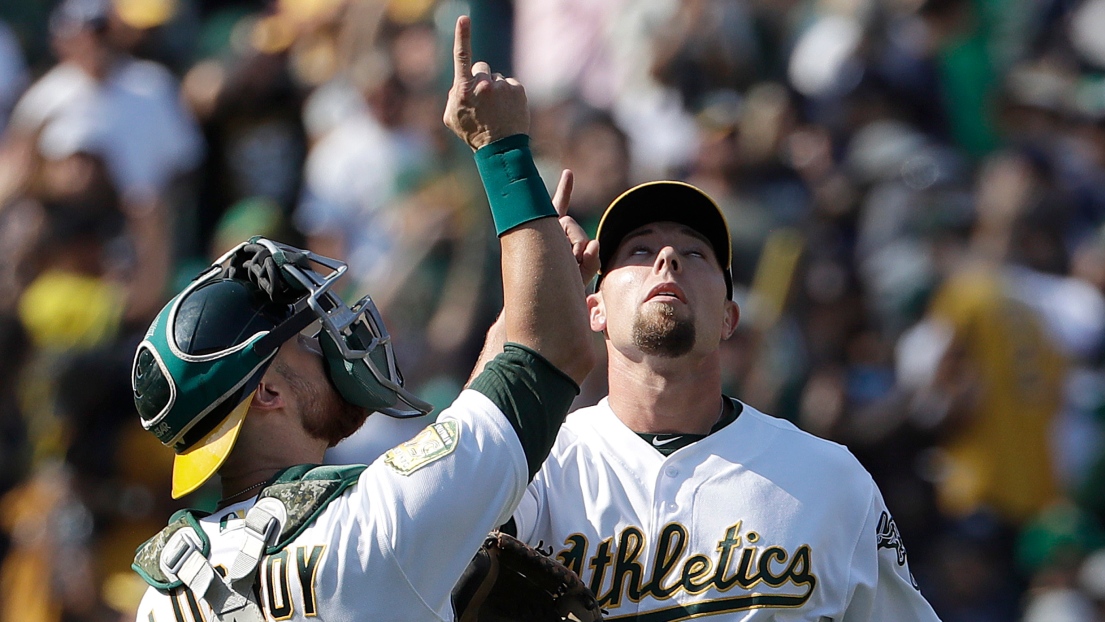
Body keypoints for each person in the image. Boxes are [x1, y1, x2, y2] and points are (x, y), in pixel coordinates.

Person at [128, 15, 593, 621]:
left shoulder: (163, 598)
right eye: (308, 339)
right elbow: (551, 353)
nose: (332, 345)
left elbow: (489, 395)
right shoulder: (371, 525)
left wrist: (535, 290)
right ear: (267, 389)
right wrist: (501, 148)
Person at [475, 180, 942, 619]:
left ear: (728, 318)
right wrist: (531, 297)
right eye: (639, 249)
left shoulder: (830, 479)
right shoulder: (544, 464)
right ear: (594, 309)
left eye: (695, 253)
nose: (667, 260)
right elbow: (446, 495)